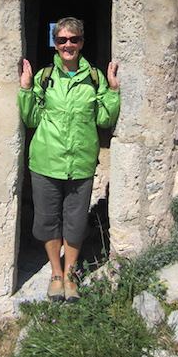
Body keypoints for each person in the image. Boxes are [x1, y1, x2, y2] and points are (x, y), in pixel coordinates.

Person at [17, 17, 120, 302]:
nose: (68, 45)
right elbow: (31, 118)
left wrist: (112, 91)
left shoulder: (94, 77)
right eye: (62, 40)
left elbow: (104, 119)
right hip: (45, 161)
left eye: (73, 40)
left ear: (82, 43)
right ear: (55, 43)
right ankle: (56, 273)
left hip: (80, 163)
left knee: (75, 223)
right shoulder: (45, 76)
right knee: (48, 222)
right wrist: (26, 89)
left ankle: (71, 274)